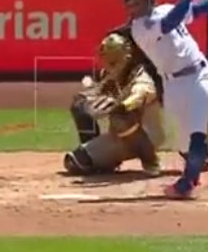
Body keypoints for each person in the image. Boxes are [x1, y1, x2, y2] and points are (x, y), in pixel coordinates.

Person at [122, 0, 208, 198]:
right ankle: (198, 157)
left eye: (139, 0)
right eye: (132, 4)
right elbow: (171, 21)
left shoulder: (164, 9)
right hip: (172, 85)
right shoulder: (139, 29)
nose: (136, 7)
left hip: (200, 76)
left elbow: (195, 10)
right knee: (183, 144)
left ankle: (187, 182)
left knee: (196, 137)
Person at [63, 32, 164, 176]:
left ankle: (150, 160)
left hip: (148, 135)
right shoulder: (110, 76)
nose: (102, 58)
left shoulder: (139, 75)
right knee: (75, 162)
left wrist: (122, 106)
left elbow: (142, 94)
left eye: (106, 55)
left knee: (120, 116)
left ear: (116, 58)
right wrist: (85, 100)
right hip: (120, 137)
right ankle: (105, 162)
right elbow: (94, 93)